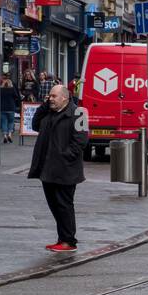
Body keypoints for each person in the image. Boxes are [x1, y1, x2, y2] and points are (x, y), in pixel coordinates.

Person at [28, 83, 89, 253]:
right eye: (49, 96)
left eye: (54, 96)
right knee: (54, 205)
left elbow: (81, 141)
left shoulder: (79, 113)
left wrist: (65, 155)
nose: (50, 99)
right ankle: (62, 238)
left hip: (66, 169)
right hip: (48, 169)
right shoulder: (49, 113)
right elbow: (34, 125)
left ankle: (69, 241)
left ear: (65, 97)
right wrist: (45, 106)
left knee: (64, 205)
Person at [0, 75, 21, 143]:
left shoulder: (1, 90)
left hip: (3, 108)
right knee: (11, 122)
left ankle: (5, 135)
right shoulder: (12, 89)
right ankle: (9, 134)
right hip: (11, 108)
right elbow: (16, 97)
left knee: (4, 122)